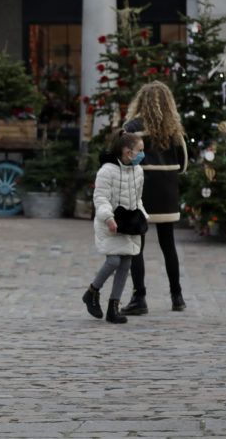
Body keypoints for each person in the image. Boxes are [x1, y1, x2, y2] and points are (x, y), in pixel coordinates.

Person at [122, 80, 189, 314]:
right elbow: (183, 164)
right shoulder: (173, 130)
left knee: (136, 244)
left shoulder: (131, 127)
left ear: (141, 102)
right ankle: (177, 296)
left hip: (141, 191)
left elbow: (125, 160)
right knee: (168, 243)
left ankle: (139, 297)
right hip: (167, 191)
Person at [83, 129, 147, 325]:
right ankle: (92, 291)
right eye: (140, 150)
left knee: (126, 262)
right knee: (113, 261)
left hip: (129, 224)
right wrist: (108, 218)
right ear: (128, 151)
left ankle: (113, 306)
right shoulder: (106, 171)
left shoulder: (138, 171)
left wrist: (143, 216)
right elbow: (100, 198)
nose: (142, 154)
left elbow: (137, 198)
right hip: (110, 222)